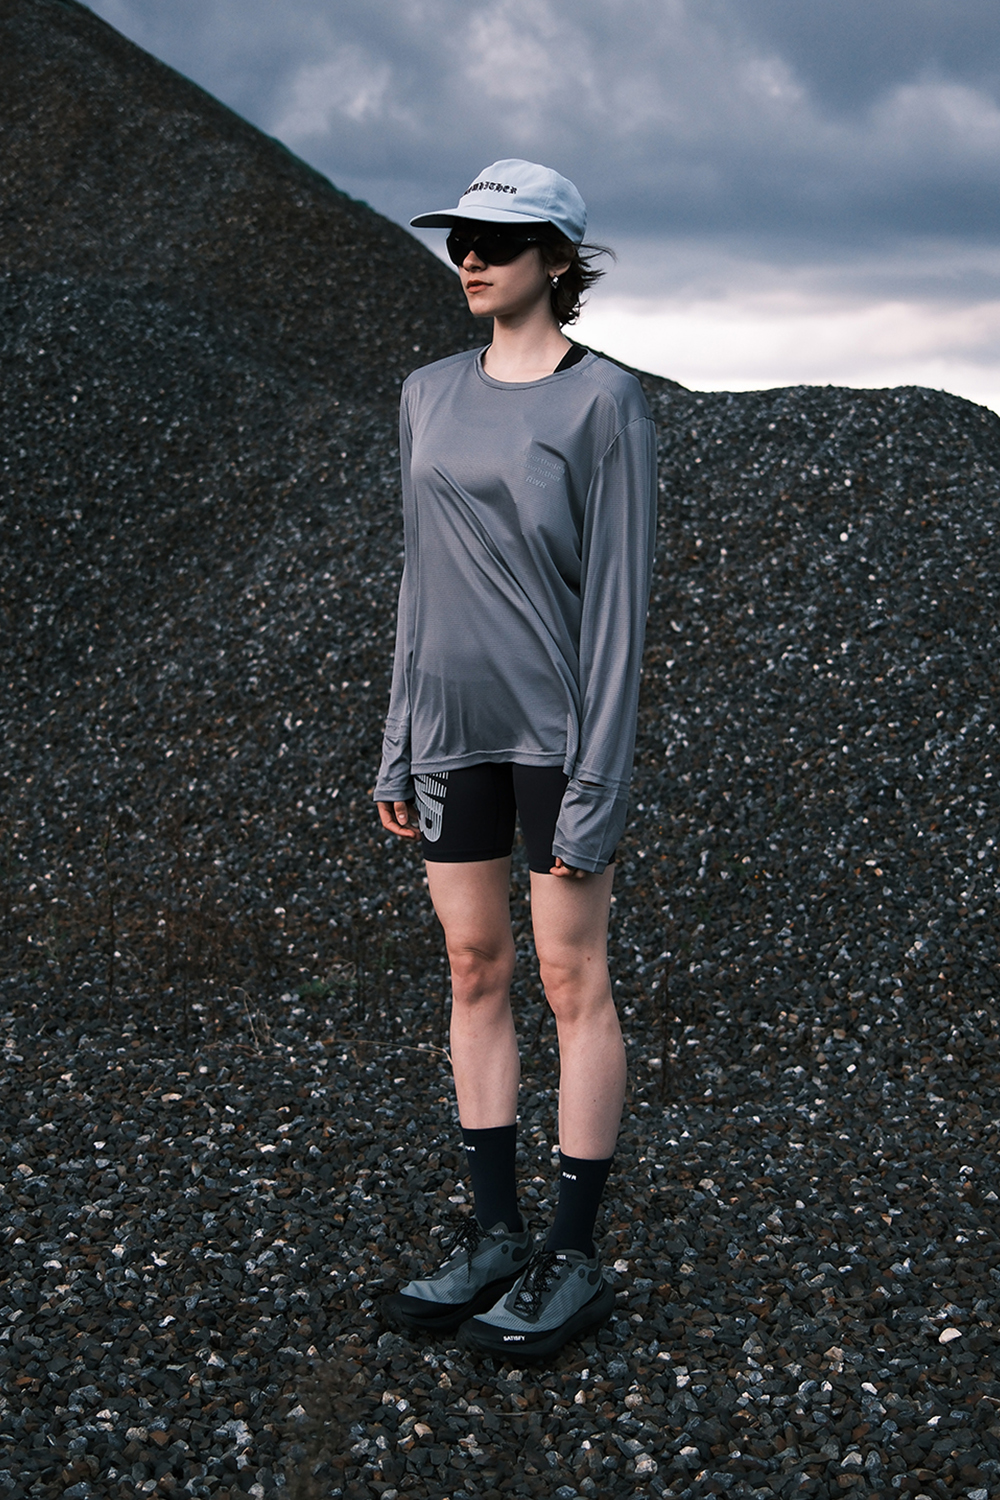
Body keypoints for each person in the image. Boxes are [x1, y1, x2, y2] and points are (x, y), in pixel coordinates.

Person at [374, 159, 657, 1357]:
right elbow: (418, 577)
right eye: (460, 240)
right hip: (450, 731)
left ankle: (572, 1254)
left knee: (569, 979)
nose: (470, 259)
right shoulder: (426, 393)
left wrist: (597, 782)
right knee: (472, 967)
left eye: (497, 241)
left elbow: (620, 615)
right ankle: (495, 1236)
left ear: (557, 259)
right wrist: (397, 742)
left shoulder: (606, 404)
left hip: (555, 737)